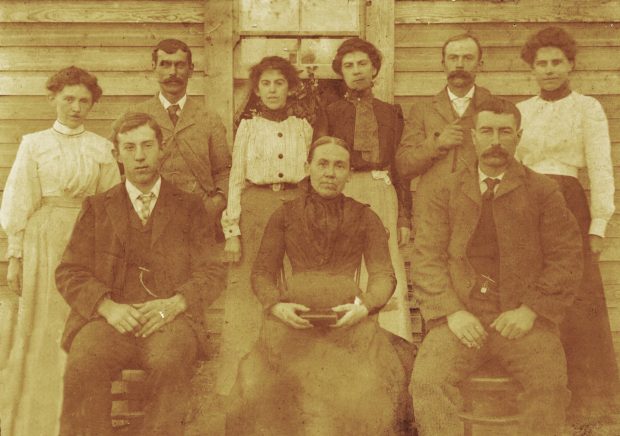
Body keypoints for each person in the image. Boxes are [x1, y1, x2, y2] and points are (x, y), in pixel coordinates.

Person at [410, 98, 583, 436]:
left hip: (521, 318)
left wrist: (531, 310)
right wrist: (452, 313)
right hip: (461, 317)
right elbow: (426, 258)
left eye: (505, 132)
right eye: (486, 131)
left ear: (519, 136)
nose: (495, 141)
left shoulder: (543, 191)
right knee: (427, 383)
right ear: (473, 136)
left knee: (549, 386)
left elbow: (567, 258)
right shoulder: (443, 189)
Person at [55, 112, 226, 436]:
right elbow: (69, 271)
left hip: (169, 320)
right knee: (84, 358)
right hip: (110, 320)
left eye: (147, 145)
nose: (139, 155)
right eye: (129, 147)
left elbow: (212, 271)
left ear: (162, 149)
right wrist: (107, 307)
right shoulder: (97, 207)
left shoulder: (189, 206)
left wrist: (176, 303)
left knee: (171, 360)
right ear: (116, 155)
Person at [226, 136, 406, 435]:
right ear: (308, 167)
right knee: (258, 385)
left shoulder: (366, 216)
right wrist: (276, 306)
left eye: (339, 166)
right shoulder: (284, 215)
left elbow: (384, 276)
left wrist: (365, 307)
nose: (330, 173)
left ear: (349, 174)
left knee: (369, 388)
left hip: (348, 322)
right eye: (322, 164)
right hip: (293, 321)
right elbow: (261, 273)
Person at [0, 66, 121, 436]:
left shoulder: (101, 148)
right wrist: (15, 257)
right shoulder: (34, 144)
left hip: (88, 242)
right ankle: (37, 422)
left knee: (80, 327)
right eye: (68, 98)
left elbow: (114, 205)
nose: (76, 107)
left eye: (84, 101)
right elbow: (19, 201)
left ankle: (78, 423)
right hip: (43, 243)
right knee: (41, 329)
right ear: (53, 97)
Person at [516, 26, 619, 423]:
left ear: (570, 64)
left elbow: (600, 166)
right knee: (531, 290)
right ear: (532, 69)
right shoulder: (522, 111)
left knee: (578, 298)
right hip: (527, 204)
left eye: (556, 62)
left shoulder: (587, 107)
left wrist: (598, 225)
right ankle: (538, 399)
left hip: (569, 203)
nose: (549, 70)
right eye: (541, 64)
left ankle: (589, 405)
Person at [216, 56, 316, 395]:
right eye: (266, 84)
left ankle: (294, 379)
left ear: (290, 87)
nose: (273, 90)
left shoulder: (302, 126)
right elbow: (235, 179)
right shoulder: (249, 126)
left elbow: (310, 176)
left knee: (293, 286)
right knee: (248, 291)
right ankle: (238, 383)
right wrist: (233, 231)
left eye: (279, 83)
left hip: (294, 208)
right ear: (257, 90)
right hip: (255, 209)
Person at [326, 37, 413, 343]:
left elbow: (400, 167)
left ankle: (391, 340)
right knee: (347, 264)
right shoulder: (331, 112)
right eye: (348, 66)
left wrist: (404, 217)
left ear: (375, 68)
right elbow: (322, 162)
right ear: (341, 73)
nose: (356, 71)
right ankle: (347, 342)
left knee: (385, 264)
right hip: (344, 193)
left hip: (382, 192)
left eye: (363, 63)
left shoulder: (391, 113)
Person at [126, 38, 231, 239]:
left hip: (199, 222)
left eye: (179, 65)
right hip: (148, 221)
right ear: (154, 68)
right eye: (165, 64)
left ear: (190, 70)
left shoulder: (209, 118)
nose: (172, 72)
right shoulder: (136, 116)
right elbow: (121, 169)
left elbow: (224, 173)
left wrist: (211, 206)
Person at [395, 33, 492, 229]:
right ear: (443, 64)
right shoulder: (423, 110)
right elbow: (404, 166)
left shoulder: (494, 107)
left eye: (467, 58)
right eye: (453, 58)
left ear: (480, 65)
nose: (459, 64)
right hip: (433, 214)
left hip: (480, 212)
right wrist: (436, 144)